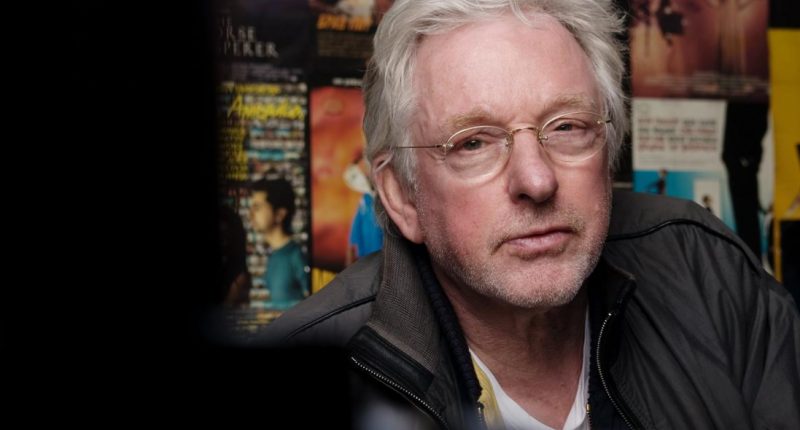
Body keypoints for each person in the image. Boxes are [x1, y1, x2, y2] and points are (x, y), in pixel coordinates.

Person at [258, 1, 800, 429]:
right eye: (473, 142)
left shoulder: (706, 272)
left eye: (566, 126)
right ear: (401, 196)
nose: (537, 181)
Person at [249, 177, 309, 310]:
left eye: (257, 208)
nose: (250, 215)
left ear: (279, 214)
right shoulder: (273, 255)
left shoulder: (297, 256)